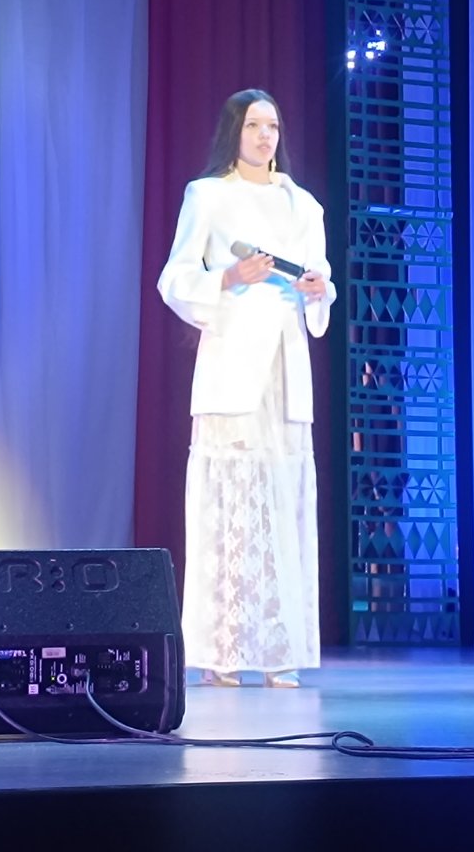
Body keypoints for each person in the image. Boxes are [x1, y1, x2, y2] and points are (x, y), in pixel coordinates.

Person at [157, 88, 335, 688]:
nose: (265, 136)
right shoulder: (208, 196)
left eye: (273, 126)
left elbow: (323, 280)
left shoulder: (303, 205)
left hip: (284, 367)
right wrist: (229, 277)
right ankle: (223, 653)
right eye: (254, 125)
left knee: (284, 502)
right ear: (234, 131)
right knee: (229, 508)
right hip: (232, 362)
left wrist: (318, 290)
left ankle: (282, 651)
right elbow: (174, 278)